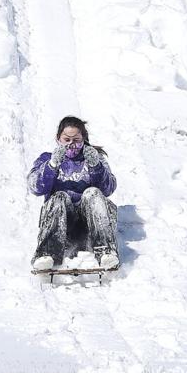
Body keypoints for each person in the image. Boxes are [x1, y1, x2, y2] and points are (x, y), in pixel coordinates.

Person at [27, 115, 118, 271]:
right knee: (59, 196)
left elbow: (108, 189)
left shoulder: (94, 158)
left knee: (92, 193)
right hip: (61, 223)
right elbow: (35, 187)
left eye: (76, 140)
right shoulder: (47, 158)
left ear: (83, 139)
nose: (71, 145)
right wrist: (52, 165)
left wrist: (95, 166)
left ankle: (106, 251)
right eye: (66, 140)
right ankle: (46, 253)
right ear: (58, 139)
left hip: (91, 223)